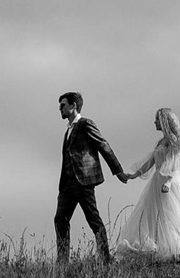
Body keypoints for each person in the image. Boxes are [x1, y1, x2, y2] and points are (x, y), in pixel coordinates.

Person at [114, 108, 180, 261]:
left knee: (171, 214)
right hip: (157, 182)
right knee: (156, 214)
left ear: (165, 121)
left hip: (170, 182)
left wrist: (169, 181)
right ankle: (158, 247)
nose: (155, 122)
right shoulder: (161, 142)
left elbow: (177, 164)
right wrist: (135, 174)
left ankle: (178, 248)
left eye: (157, 119)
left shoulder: (173, 142)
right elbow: (151, 161)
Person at [54, 92, 128, 265]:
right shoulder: (68, 130)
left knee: (93, 219)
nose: (60, 108)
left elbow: (103, 145)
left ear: (73, 106)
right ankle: (62, 262)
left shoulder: (85, 124)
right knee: (60, 219)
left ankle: (105, 259)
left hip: (83, 181)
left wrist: (118, 171)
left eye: (63, 105)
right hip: (67, 185)